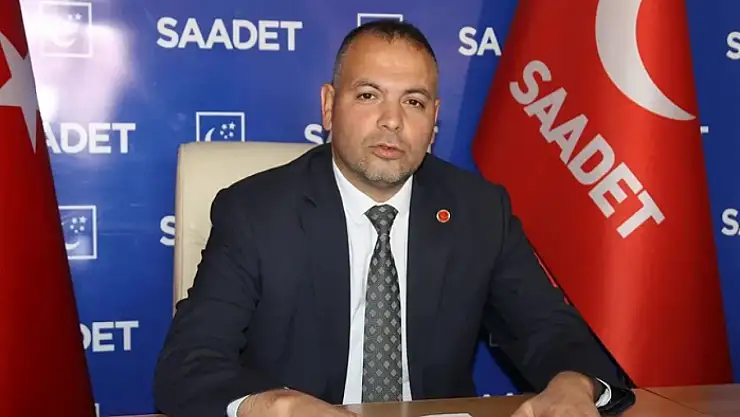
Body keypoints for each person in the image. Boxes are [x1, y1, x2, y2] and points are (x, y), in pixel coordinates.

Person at [153, 20, 636, 417]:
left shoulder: (480, 211)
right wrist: (276, 407)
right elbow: (188, 366)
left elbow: (549, 330)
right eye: (368, 95)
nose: (392, 120)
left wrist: (575, 384)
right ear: (328, 106)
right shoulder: (255, 212)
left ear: (433, 120)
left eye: (413, 101)